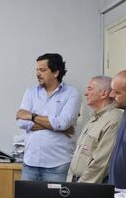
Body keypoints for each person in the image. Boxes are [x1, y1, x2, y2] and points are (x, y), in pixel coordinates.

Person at [16, 53, 81, 182]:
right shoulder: (30, 92)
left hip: (58, 165)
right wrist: (56, 126)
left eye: (42, 70)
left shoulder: (72, 93)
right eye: (37, 70)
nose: (38, 73)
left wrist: (32, 116)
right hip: (30, 163)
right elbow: (21, 122)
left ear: (56, 72)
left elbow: (63, 123)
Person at [66, 75, 123, 183]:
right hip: (76, 181)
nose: (86, 93)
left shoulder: (114, 119)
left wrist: (82, 188)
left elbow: (101, 163)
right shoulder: (94, 117)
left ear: (104, 93)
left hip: (89, 186)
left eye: (90, 89)